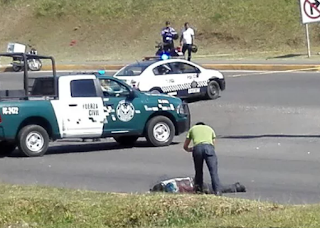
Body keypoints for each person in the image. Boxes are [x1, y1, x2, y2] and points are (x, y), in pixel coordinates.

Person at [183, 122, 222, 195]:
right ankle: (217, 191)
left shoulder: (192, 129)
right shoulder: (210, 129)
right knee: (213, 172)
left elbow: (185, 146)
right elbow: (213, 144)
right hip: (209, 148)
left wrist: (190, 149)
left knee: (198, 171)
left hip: (197, 148)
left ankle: (198, 190)